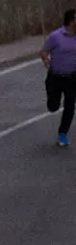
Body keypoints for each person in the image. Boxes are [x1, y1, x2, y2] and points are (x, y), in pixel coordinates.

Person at [40, 8, 76, 147]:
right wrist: (46, 61)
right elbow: (44, 51)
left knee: (70, 106)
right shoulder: (56, 36)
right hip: (55, 77)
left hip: (72, 78)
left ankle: (63, 134)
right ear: (71, 21)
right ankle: (53, 102)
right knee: (53, 107)